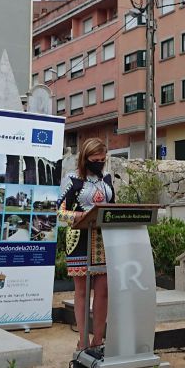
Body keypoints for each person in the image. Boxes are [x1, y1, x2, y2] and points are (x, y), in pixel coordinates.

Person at [56, 138, 114, 352]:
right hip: (80, 239)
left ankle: (98, 340)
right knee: (82, 291)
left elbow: (112, 207)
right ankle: (82, 341)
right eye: (95, 159)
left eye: (102, 159)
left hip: (104, 240)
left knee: (103, 290)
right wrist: (82, 215)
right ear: (85, 158)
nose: (99, 163)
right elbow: (60, 211)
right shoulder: (71, 179)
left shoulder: (106, 179)